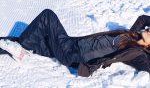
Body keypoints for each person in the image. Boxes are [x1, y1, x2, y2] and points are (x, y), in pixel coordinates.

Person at [0, 9, 150, 77]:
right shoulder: (133, 35)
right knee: (31, 41)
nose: (148, 30)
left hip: (73, 54)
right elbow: (143, 18)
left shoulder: (137, 54)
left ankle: (20, 49)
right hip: (73, 43)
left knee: (48, 16)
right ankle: (19, 47)